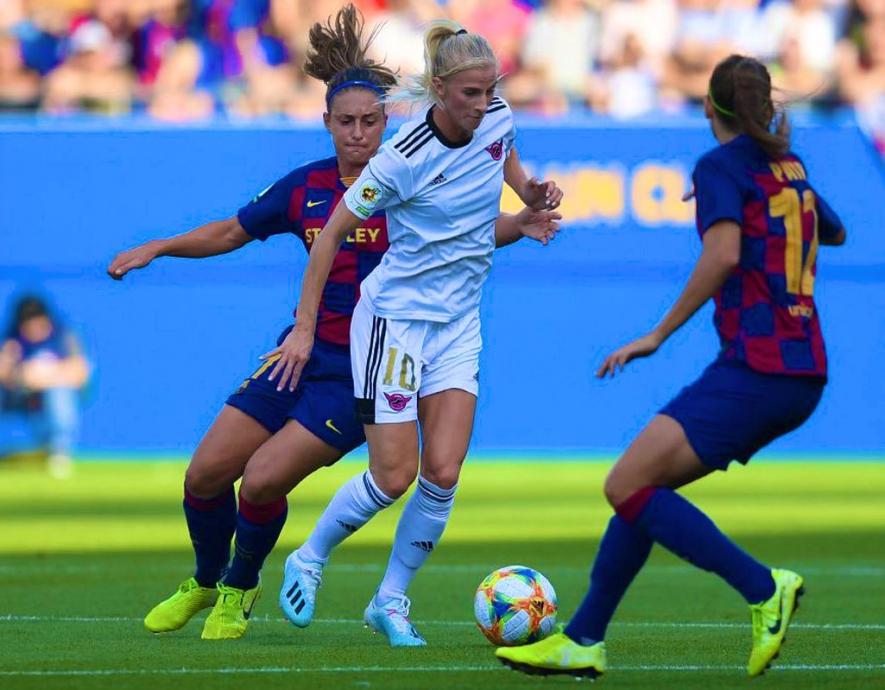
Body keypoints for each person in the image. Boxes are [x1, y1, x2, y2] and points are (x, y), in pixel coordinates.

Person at [107, 5, 560, 641]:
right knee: (205, 474)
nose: (358, 133)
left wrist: (523, 214)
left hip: (363, 364)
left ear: (386, 122)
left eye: (370, 121)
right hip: (302, 352)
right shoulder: (308, 187)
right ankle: (206, 580)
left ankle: (241, 586)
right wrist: (161, 247)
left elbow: (468, 234)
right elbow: (233, 231)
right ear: (326, 123)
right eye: (345, 122)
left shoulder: (401, 172)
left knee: (263, 480)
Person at [496, 54, 846, 679]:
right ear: (765, 106)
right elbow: (834, 230)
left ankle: (764, 588)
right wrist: (745, 193)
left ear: (708, 106)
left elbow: (723, 254)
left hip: (760, 365)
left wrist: (657, 334)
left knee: (625, 485)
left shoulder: (721, 166)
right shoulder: (785, 165)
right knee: (643, 488)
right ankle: (583, 640)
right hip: (802, 366)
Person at [271, 20, 561, 648]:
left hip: (458, 324)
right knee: (394, 476)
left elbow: (508, 178)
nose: (482, 104)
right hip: (394, 324)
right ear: (439, 89)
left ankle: (390, 600)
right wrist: (303, 327)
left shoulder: (499, 119)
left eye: (489, 91)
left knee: (444, 472)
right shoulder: (401, 158)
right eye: (470, 94)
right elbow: (330, 239)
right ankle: (309, 558)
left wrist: (531, 201)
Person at [0, 295, 90, 477]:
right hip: (20, 395)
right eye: (28, 325)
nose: (33, 329)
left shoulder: (63, 336)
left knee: (59, 393)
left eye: (37, 323)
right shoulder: (12, 339)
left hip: (53, 394)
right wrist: (17, 371)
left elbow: (81, 374)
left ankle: (59, 452)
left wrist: (45, 376)